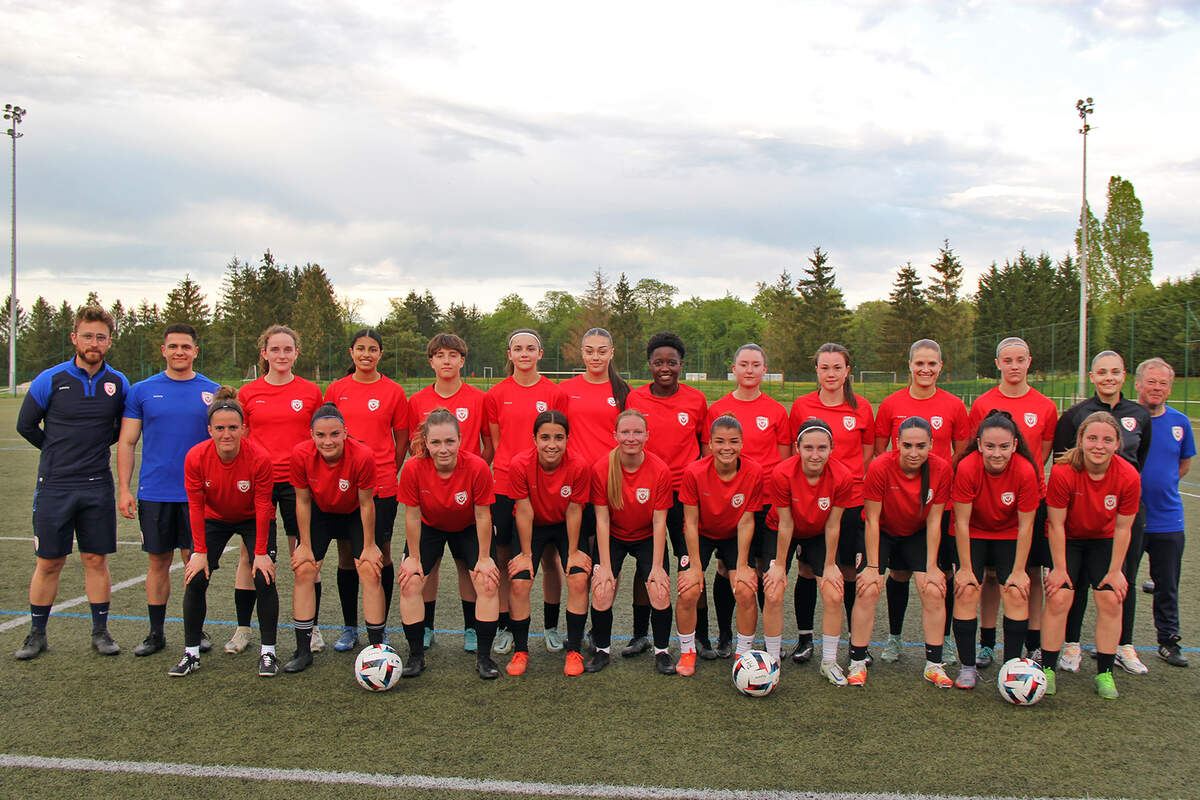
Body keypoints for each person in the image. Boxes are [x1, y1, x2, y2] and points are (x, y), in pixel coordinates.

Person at [15, 305, 129, 660]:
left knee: (96, 559)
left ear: (109, 341)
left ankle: (100, 632)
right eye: (87, 335)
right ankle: (36, 634)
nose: (93, 343)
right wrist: (56, 450)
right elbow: (27, 425)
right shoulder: (51, 378)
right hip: (55, 485)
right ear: (74, 338)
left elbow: (120, 430)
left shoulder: (118, 383)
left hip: (97, 485)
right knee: (49, 562)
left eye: (100, 337)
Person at [117, 322, 219, 656]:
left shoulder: (212, 391)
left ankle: (196, 629)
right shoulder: (142, 390)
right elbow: (128, 442)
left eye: (185, 347)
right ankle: (155, 633)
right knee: (158, 563)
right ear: (163, 350)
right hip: (155, 493)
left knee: (196, 562)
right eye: (173, 346)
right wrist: (124, 488)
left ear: (195, 351)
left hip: (198, 495)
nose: (179, 352)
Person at [1051, 350, 1151, 674]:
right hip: (1079, 511)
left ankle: (1124, 645)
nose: (1109, 377)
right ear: (1092, 376)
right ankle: (1071, 644)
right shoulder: (1075, 415)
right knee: (1073, 582)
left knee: (1122, 579)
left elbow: (1141, 458)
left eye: (1115, 372)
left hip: (1121, 508)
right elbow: (1062, 458)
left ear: (1124, 376)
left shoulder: (1139, 414)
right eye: (1102, 372)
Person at [170, 388, 279, 677]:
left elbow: (264, 505)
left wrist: (260, 554)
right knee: (195, 577)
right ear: (209, 430)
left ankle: (269, 652)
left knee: (263, 576)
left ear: (244, 429)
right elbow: (195, 506)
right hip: (214, 519)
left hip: (253, 517)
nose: (226, 434)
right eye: (220, 428)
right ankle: (191, 653)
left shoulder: (259, 457)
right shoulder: (195, 457)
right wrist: (199, 552)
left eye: (233, 427)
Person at [873, 339, 967, 665]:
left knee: (942, 575)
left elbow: (961, 454)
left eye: (932, 364)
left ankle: (944, 640)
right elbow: (880, 453)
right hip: (899, 509)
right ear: (910, 365)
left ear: (941, 366)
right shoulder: (891, 405)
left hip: (939, 508)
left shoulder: (954, 405)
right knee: (899, 575)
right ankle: (895, 638)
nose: (925, 370)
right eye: (919, 364)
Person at [966, 337, 1057, 666]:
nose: (1014, 365)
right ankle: (987, 642)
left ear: (1029, 361)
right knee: (990, 575)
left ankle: (1031, 642)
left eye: (1020, 359)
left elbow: (1042, 455)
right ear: (998, 363)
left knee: (1030, 573)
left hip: (1031, 500)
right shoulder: (982, 404)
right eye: (1008, 360)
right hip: (988, 501)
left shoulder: (1045, 406)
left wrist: (1024, 483)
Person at [233, 325, 324, 655]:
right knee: (249, 554)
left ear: (296, 353)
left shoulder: (312, 392)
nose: (282, 355)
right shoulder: (248, 394)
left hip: (298, 484)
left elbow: (321, 437)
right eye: (276, 349)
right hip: (259, 483)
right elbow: (241, 438)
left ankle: (311, 629)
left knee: (303, 554)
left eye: (288, 349)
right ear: (264, 354)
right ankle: (243, 629)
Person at [1041, 411, 1140, 699]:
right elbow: (1056, 524)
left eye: (1107, 440)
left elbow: (1123, 528)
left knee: (1110, 596)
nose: (1099, 445)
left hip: (1104, 540)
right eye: (1092, 438)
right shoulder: (1063, 471)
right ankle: (1048, 668)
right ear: (1081, 440)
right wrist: (1059, 569)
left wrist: (1115, 570)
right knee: (1060, 596)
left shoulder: (1128, 475)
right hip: (1067, 539)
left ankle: (1105, 673)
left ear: (1118, 443)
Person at [396, 409, 500, 679]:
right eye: (436, 442)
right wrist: (414, 558)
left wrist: (486, 558)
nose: (443, 449)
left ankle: (484, 657)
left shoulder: (476, 467)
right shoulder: (413, 468)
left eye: (450, 441)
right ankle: (416, 655)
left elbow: (482, 515)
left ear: (460, 439)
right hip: (430, 527)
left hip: (467, 527)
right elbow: (413, 515)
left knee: (487, 581)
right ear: (426, 443)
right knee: (411, 581)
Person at [702, 343, 790, 657]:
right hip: (731, 503)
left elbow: (785, 462)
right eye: (743, 364)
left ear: (764, 369)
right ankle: (727, 635)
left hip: (766, 505)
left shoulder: (777, 411)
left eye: (756, 364)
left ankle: (769, 640)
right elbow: (707, 459)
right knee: (728, 570)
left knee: (764, 570)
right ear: (734, 369)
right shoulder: (718, 409)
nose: (749, 370)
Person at [787, 343, 874, 664]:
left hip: (849, 503)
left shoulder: (862, 408)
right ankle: (805, 639)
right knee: (808, 569)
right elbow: (793, 457)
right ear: (817, 370)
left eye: (837, 368)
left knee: (848, 571)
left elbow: (867, 456)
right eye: (825, 368)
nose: (831, 374)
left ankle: (854, 642)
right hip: (810, 504)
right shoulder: (801, 406)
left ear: (848, 371)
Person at [851, 416, 953, 688]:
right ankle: (857, 662)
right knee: (868, 588)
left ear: (931, 444)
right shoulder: (880, 466)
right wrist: (872, 566)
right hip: (881, 529)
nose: (914, 452)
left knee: (933, 588)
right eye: (907, 445)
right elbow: (872, 519)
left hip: (916, 532)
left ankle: (934, 664)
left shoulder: (942, 469)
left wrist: (932, 566)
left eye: (921, 445)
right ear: (897, 444)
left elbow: (934, 520)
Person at [627, 332, 711, 658]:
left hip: (686, 498)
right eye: (659, 362)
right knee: (649, 566)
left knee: (691, 564)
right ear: (649, 364)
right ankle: (639, 634)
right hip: (647, 496)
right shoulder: (635, 399)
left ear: (681, 365)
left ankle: (700, 636)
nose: (665, 368)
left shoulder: (696, 400)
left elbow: (705, 450)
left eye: (671, 363)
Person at [324, 329, 409, 652]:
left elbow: (401, 438)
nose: (366, 354)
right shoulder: (337, 389)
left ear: (380, 354)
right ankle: (349, 627)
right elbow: (326, 435)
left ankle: (380, 626)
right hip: (343, 487)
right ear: (351, 352)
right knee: (347, 556)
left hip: (382, 486)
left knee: (379, 555)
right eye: (361, 349)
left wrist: (388, 468)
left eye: (372, 349)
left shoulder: (393, 392)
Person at [561, 328, 643, 653]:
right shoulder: (565, 390)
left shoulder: (623, 392)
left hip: (612, 482)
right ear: (581, 353)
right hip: (578, 485)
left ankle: (600, 626)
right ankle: (576, 626)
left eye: (602, 351)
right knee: (580, 559)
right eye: (590, 351)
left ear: (612, 354)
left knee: (608, 560)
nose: (596, 357)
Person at [284, 403, 383, 673]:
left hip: (352, 511)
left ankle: (377, 649)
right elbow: (302, 501)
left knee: (370, 569)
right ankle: (303, 650)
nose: (328, 441)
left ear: (345, 433)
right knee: (304, 570)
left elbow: (366, 504)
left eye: (334, 434)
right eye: (321, 435)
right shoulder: (301, 454)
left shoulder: (362, 455)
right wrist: (304, 545)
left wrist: (371, 545)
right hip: (320, 512)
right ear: (312, 435)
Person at [485, 330, 567, 655]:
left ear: (540, 353)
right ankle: (506, 625)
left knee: (549, 560)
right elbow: (496, 442)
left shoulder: (554, 392)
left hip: (544, 488)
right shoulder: (495, 394)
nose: (524, 353)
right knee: (506, 559)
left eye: (530, 348)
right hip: (505, 486)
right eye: (517, 348)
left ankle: (551, 626)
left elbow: (558, 440)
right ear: (509, 354)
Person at [409, 333, 491, 654]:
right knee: (427, 568)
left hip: (467, 502)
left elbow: (489, 444)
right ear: (431, 361)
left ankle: (471, 628)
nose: (446, 360)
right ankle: (426, 628)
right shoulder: (416, 401)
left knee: (466, 567)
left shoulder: (478, 398)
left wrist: (470, 478)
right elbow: (413, 448)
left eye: (452, 355)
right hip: (430, 499)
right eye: (440, 355)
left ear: (462, 360)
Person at [950, 411, 1040, 689]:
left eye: (1003, 446)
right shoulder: (967, 467)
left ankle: (1012, 670)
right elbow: (962, 522)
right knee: (966, 589)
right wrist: (965, 569)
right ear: (979, 444)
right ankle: (967, 667)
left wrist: (1019, 571)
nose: (996, 453)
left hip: (1009, 534)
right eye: (990, 446)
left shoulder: (1025, 470)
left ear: (1014, 444)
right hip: (974, 532)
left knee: (1015, 591)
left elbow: (1026, 526)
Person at [762, 419, 855, 684]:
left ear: (831, 449)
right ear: (797, 448)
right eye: (809, 447)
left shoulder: (843, 476)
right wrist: (779, 565)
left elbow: (834, 524)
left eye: (822, 448)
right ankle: (772, 662)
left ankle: (829, 661)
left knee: (834, 592)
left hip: (818, 533)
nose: (815, 454)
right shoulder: (782, 474)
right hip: (781, 529)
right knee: (773, 589)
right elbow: (785, 523)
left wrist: (829, 565)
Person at [586, 409, 675, 675]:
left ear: (648, 435)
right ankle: (602, 651)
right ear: (615, 435)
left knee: (659, 590)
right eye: (625, 432)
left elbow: (660, 522)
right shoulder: (602, 468)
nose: (631, 437)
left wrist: (657, 567)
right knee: (602, 589)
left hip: (647, 535)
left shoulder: (660, 470)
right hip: (614, 535)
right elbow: (601, 520)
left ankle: (662, 652)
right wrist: (603, 567)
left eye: (637, 432)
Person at [505, 411, 591, 676]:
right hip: (533, 524)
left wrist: (574, 552)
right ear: (534, 439)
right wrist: (526, 554)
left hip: (565, 524)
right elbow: (524, 510)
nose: (551, 444)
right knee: (520, 580)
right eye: (545, 437)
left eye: (558, 437)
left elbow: (575, 510)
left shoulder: (579, 465)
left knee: (578, 578)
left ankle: (574, 650)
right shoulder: (520, 464)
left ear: (568, 439)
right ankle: (521, 651)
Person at [675, 415, 763, 676]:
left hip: (734, 533)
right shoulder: (694, 472)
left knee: (746, 590)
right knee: (689, 590)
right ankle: (688, 652)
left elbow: (747, 521)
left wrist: (744, 565)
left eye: (734, 441)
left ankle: (743, 654)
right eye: (720, 441)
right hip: (701, 532)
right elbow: (689, 522)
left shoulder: (754, 472)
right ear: (710, 444)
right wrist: (694, 567)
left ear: (742, 444)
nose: (727, 447)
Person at [1134, 358, 1194, 667]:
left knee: (1167, 583)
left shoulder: (1180, 423)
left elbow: (1183, 465)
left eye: (1163, 383)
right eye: (1151, 381)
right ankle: (1118, 644)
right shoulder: (1126, 419)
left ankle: (1168, 641)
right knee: (1119, 583)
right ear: (1138, 384)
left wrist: (1162, 484)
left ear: (1169, 388)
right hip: (1128, 519)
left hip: (1168, 519)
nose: (1157, 388)